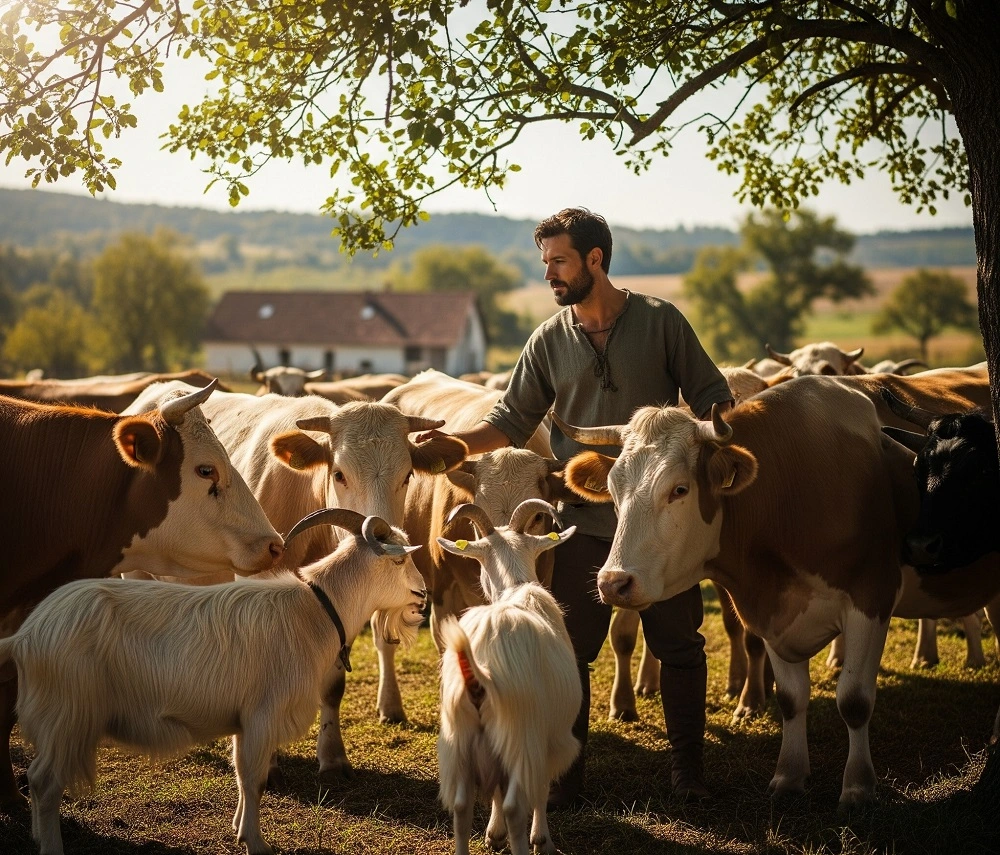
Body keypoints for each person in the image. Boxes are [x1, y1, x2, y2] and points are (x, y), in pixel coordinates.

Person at [419, 207, 733, 804]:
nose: (549, 274)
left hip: (663, 522)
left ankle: (688, 773)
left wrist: (681, 450)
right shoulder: (547, 340)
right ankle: (568, 779)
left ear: (595, 260)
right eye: (545, 263)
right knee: (573, 650)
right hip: (583, 519)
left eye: (559, 261)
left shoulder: (662, 322)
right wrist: (454, 446)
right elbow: (511, 420)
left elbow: (715, 398)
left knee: (680, 645)